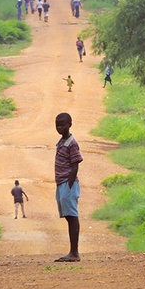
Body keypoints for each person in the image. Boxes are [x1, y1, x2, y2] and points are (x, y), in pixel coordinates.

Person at [54, 112, 83, 262]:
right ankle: (73, 251)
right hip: (62, 184)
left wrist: (70, 185)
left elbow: (75, 164)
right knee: (68, 216)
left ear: (70, 124)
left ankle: (74, 252)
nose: (59, 127)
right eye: (57, 125)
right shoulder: (61, 141)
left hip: (68, 184)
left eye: (63, 125)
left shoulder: (72, 143)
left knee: (72, 216)